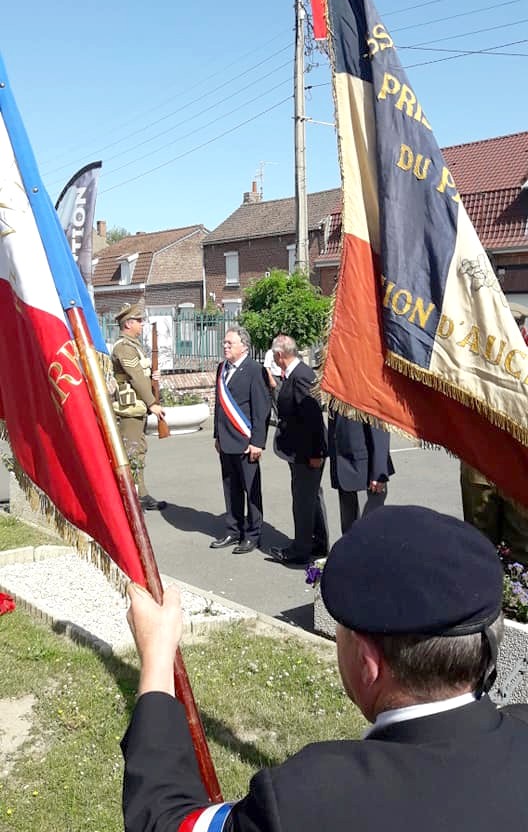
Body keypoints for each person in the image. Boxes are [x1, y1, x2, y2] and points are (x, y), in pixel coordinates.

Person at [122, 504, 528, 832]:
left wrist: (157, 657)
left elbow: (163, 821)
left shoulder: (304, 801)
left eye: (342, 631)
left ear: (368, 664)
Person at [460, 300, 528, 565]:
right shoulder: (471, 357)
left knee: (521, 547)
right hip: (480, 462)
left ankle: (517, 591)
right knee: (479, 543)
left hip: (519, 463)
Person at [210, 327, 270, 554]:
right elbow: (219, 406)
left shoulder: (255, 370)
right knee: (231, 488)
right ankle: (233, 530)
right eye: (224, 343)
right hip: (226, 441)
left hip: (246, 443)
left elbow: (261, 409)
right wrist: (216, 435)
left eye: (230, 343)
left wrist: (258, 442)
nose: (225, 346)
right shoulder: (222, 368)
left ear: (244, 346)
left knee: (251, 490)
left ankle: (253, 534)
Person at [270, 334, 328, 565]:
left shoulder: (301, 376)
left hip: (306, 453)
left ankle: (300, 550)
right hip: (300, 451)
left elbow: (313, 417)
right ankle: (317, 543)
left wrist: (315, 454)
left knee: (304, 500)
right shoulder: (295, 374)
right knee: (310, 498)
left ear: (279, 355)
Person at [111, 302, 167, 512]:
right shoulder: (124, 347)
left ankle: (140, 494)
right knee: (132, 452)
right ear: (128, 324)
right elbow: (135, 377)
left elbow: (141, 374)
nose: (142, 324)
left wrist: (153, 376)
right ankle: (132, 498)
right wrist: (152, 403)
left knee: (138, 450)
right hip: (130, 408)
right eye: (138, 321)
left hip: (136, 406)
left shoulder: (133, 346)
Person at [328, 409, 394, 533]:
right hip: (344, 467)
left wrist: (379, 473)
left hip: (365, 472)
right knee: (349, 531)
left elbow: (379, 424)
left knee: (368, 531)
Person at [262, 344, 283, 425]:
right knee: (276, 399)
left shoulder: (283, 351)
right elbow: (267, 367)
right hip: (275, 377)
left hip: (283, 377)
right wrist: (271, 379)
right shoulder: (270, 353)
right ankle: (278, 419)